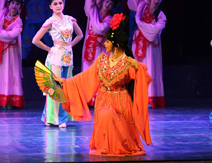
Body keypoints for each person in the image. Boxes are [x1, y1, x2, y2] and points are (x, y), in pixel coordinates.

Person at [60, 13, 152, 156]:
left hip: (120, 101)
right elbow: (85, 76)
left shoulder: (127, 62)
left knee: (109, 116)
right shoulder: (102, 59)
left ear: (116, 45)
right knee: (105, 115)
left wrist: (138, 66)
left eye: (107, 41)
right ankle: (104, 146)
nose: (104, 44)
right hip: (103, 100)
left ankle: (120, 146)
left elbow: (144, 76)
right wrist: (65, 82)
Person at [32, 0, 83, 127]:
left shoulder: (70, 20)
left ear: (63, 4)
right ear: (50, 6)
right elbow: (35, 40)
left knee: (66, 86)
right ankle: (58, 119)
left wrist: (70, 45)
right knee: (56, 87)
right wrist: (49, 49)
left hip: (68, 56)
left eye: (60, 3)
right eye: (55, 4)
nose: (58, 6)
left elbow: (80, 35)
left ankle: (52, 117)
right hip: (55, 56)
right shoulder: (50, 22)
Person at [128, 0, 167, 108]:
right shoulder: (142, 7)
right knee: (137, 70)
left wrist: (142, 26)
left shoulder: (161, 15)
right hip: (138, 43)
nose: (156, 1)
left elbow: (156, 30)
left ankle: (150, 98)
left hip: (151, 47)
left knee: (150, 70)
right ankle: (137, 96)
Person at [0, 0, 25, 109]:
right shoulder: (2, 14)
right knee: (2, 75)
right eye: (13, 3)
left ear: (20, 7)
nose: (14, 6)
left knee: (11, 75)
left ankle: (12, 100)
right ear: (9, 3)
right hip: (0, 50)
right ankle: (2, 99)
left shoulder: (18, 22)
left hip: (11, 52)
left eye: (17, 4)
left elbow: (11, 36)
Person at [82, 0, 122, 73]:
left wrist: (93, 13)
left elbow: (100, 29)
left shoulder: (109, 19)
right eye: (107, 1)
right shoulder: (93, 11)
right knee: (87, 70)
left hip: (100, 47)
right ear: (103, 0)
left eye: (110, 4)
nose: (107, 5)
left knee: (99, 70)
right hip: (89, 44)